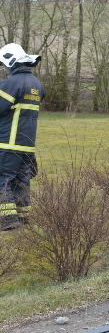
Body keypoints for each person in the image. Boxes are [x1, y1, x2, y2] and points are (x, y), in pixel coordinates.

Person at [0, 43, 44, 231]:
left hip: (8, 143)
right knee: (22, 181)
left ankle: (8, 220)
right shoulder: (37, 85)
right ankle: (24, 218)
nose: (4, 68)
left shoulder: (11, 84)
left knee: (3, 180)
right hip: (27, 145)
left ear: (11, 62)